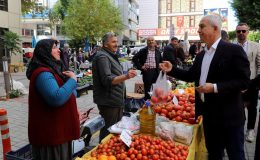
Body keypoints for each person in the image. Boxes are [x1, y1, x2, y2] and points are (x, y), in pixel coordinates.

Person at [160, 14, 250, 160]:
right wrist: (172, 70)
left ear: (215, 28)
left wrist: (214, 87)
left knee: (236, 155)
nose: (198, 30)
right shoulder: (202, 54)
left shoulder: (233, 50)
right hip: (209, 117)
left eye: (202, 26)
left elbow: (244, 81)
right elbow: (190, 76)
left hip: (229, 117)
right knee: (214, 154)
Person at [26, 39, 80, 160]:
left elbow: (73, 94)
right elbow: (56, 98)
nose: (59, 50)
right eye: (54, 47)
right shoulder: (42, 73)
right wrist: (72, 80)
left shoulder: (55, 70)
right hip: (50, 137)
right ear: (45, 52)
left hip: (59, 132)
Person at [92, 32, 137, 141]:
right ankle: (102, 151)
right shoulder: (103, 57)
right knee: (109, 130)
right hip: (109, 102)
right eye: (113, 42)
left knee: (115, 128)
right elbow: (107, 80)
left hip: (115, 100)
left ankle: (110, 150)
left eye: (117, 41)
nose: (116, 44)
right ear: (105, 44)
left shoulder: (110, 55)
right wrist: (126, 76)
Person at [235, 22, 260, 143]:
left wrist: (256, 81)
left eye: (243, 31)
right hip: (235, 83)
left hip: (252, 82)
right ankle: (238, 130)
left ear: (248, 32)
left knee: (252, 107)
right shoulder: (231, 46)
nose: (241, 33)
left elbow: (259, 65)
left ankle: (250, 130)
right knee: (237, 106)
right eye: (238, 31)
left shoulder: (256, 46)